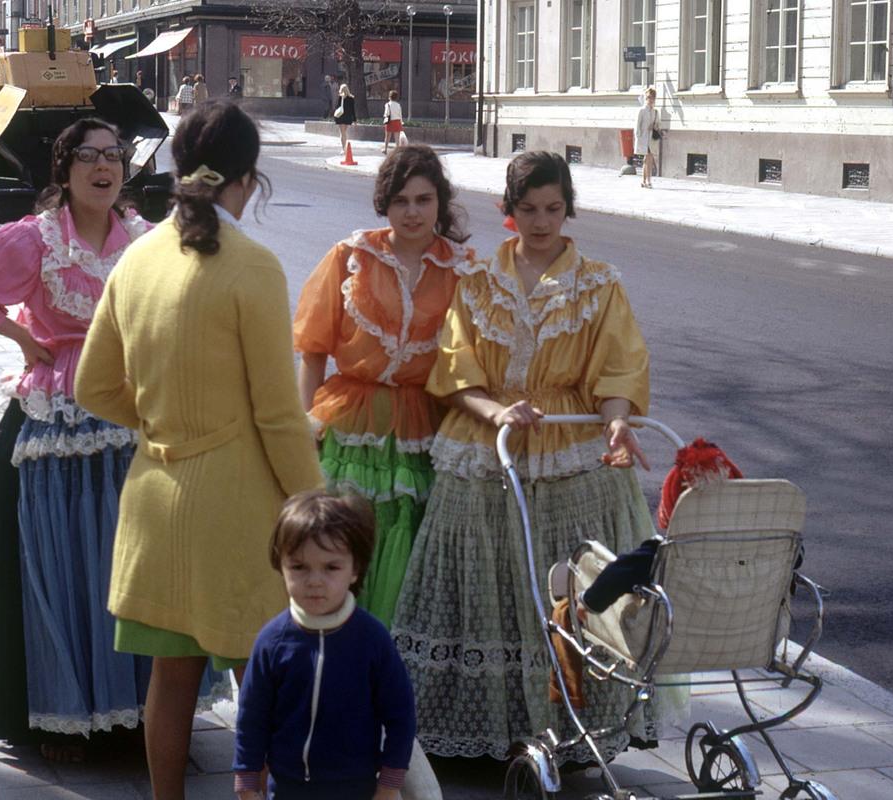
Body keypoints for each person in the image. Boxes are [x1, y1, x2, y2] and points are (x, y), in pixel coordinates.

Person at [391, 151, 682, 762]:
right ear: (508, 211)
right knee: (490, 585)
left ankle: (573, 719)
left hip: (569, 450)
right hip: (488, 446)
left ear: (568, 208)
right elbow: (454, 365)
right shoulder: (478, 281)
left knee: (570, 585)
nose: (542, 221)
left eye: (553, 208)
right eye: (528, 209)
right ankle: (487, 725)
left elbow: (619, 365)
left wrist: (619, 422)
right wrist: (495, 411)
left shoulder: (599, 283)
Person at [75, 100, 323, 800]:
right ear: (249, 176)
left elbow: (94, 385)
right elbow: (279, 414)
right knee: (263, 676)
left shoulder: (137, 257)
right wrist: (316, 501)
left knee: (171, 678)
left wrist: (158, 419)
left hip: (155, 490)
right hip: (237, 500)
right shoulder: (253, 265)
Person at [0, 119, 176, 761]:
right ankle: (63, 711)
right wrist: (21, 337)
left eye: (113, 156)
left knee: (123, 563)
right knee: (65, 562)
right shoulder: (35, 240)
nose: (103, 166)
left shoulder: (145, 241)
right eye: (87, 156)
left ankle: (128, 713)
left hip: (127, 416)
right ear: (63, 172)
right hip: (56, 415)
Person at [294, 145, 472, 627]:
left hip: (426, 422)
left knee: (410, 549)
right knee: (339, 546)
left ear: (440, 202)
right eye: (400, 201)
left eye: (423, 199)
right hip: (350, 419)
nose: (412, 212)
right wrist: (300, 429)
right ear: (384, 204)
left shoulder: (466, 270)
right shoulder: (350, 257)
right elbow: (313, 352)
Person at [232, 490, 416, 800]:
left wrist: (389, 784)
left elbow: (401, 715)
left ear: (355, 569)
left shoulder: (372, 639)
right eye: (299, 567)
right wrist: (248, 784)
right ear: (281, 565)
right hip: (289, 789)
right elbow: (252, 718)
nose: (315, 581)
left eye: (331, 567)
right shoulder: (272, 641)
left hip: (358, 789)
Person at [635, 86, 659, 188]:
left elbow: (658, 124)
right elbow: (637, 125)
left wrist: (654, 126)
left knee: (648, 159)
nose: (651, 100)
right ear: (646, 98)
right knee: (647, 159)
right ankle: (646, 181)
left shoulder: (655, 111)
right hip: (643, 138)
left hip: (651, 139)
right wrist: (639, 137)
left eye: (653, 97)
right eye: (649, 97)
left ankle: (645, 180)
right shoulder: (641, 110)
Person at [334, 83, 356, 154]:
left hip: (341, 116)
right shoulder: (351, 98)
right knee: (344, 133)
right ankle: (344, 147)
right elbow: (353, 110)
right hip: (348, 117)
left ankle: (343, 148)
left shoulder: (340, 97)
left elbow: (337, 107)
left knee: (342, 133)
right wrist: (354, 119)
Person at [382, 90, 403, 154]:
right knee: (397, 138)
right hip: (397, 121)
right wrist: (401, 122)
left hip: (390, 122)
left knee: (387, 136)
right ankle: (397, 151)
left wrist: (384, 119)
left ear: (389, 96)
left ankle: (385, 149)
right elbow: (400, 114)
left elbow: (386, 114)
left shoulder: (387, 104)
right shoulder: (398, 105)